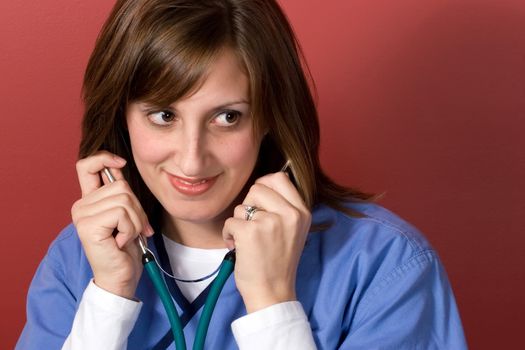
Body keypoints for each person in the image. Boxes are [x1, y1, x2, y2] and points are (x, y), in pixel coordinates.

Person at [17, 0, 467, 349]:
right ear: (121, 118)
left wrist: (272, 303)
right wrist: (110, 298)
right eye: (162, 115)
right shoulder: (78, 263)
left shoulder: (386, 267)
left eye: (227, 117)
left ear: (271, 116)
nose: (192, 160)